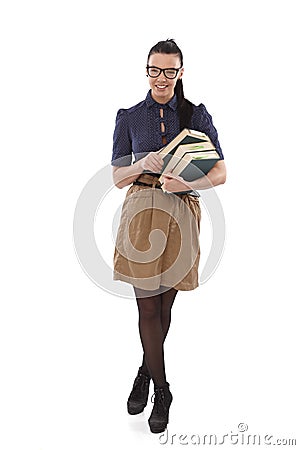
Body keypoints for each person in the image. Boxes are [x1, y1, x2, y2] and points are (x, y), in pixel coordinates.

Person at [111, 39, 226, 434]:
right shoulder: (128, 117)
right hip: (141, 211)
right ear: (146, 71)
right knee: (147, 309)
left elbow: (220, 172)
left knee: (165, 308)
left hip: (181, 211)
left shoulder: (196, 114)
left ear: (181, 73)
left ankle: (145, 370)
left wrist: (183, 184)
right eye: (155, 70)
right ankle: (162, 388)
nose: (162, 78)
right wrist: (140, 162)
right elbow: (115, 178)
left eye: (170, 71)